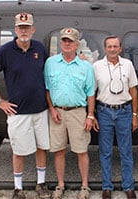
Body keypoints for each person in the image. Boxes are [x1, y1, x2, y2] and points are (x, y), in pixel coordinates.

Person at [0, 13, 51, 199]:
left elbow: (48, 72)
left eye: (27, 27)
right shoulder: (5, 51)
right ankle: (18, 188)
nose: (24, 31)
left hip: (40, 110)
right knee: (19, 151)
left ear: (33, 29)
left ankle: (41, 183)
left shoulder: (39, 48)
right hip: (18, 112)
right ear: (15, 30)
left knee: (41, 148)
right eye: (21, 27)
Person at [44, 27, 95, 199]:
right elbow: (47, 89)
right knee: (58, 151)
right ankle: (60, 185)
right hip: (57, 112)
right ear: (60, 43)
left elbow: (91, 93)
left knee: (81, 150)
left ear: (77, 44)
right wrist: (51, 109)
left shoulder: (85, 66)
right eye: (64, 40)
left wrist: (90, 115)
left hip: (78, 113)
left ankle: (85, 186)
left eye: (70, 41)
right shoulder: (50, 63)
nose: (67, 44)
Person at [93, 35, 138, 199]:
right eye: (109, 46)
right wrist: (91, 115)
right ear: (105, 49)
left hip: (124, 112)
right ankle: (106, 187)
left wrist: (134, 115)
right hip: (104, 111)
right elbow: (92, 92)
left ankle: (128, 186)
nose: (112, 49)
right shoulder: (97, 66)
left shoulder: (128, 65)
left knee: (126, 150)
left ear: (120, 48)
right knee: (105, 151)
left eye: (115, 46)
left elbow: (133, 90)